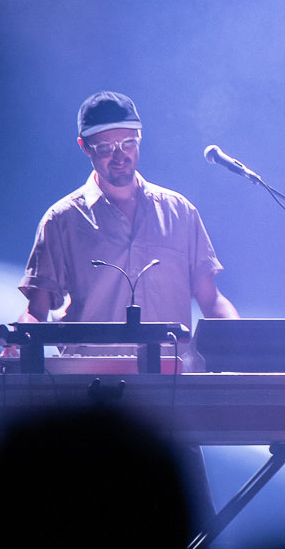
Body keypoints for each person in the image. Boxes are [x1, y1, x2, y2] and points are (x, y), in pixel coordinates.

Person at [18, 91, 240, 357]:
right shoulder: (61, 220)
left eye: (128, 143)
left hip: (172, 382)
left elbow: (211, 299)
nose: (119, 155)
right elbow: (36, 312)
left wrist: (243, 345)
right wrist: (18, 341)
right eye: (105, 148)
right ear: (84, 146)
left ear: (140, 138)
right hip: (91, 386)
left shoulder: (180, 212)